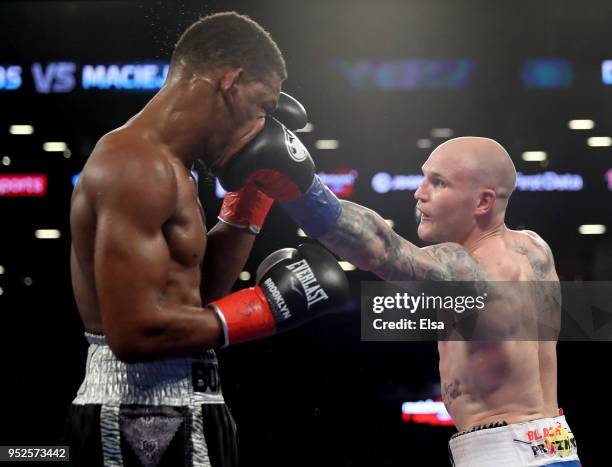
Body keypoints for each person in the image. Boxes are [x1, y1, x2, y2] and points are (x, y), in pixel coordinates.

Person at [64, 12, 348, 467]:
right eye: (264, 105)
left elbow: (194, 294)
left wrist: (250, 195)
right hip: (140, 412)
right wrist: (269, 307)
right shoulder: (135, 166)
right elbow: (134, 334)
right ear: (231, 81)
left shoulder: (176, 167)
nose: (264, 124)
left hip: (190, 395)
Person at [221, 128, 581, 465]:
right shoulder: (534, 248)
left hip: (502, 453)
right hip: (554, 445)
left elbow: (381, 250)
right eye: (424, 177)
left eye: (438, 183)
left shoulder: (467, 267)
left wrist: (297, 185)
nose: (418, 192)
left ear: (483, 201)